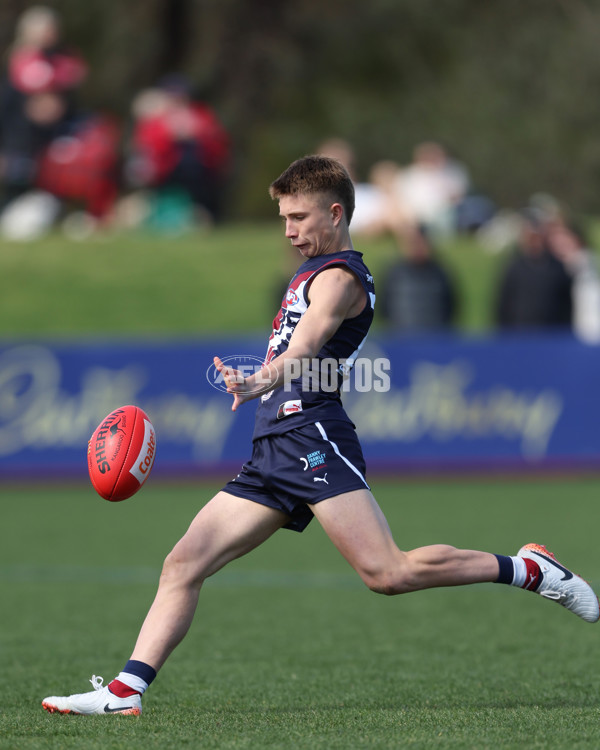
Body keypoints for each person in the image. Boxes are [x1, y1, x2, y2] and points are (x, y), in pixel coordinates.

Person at [42, 156, 599, 717]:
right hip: (272, 447)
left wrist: (261, 377)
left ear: (335, 213)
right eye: (283, 217)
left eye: (299, 217)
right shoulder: (309, 271)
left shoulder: (340, 277)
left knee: (388, 573)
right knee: (183, 563)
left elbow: (307, 345)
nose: (288, 230)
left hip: (311, 437)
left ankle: (530, 569)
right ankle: (124, 692)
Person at [495, 210, 573, 330]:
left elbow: (566, 303)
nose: (535, 241)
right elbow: (503, 302)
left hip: (551, 331)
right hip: (519, 332)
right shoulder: (514, 266)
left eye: (538, 237)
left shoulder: (557, 267)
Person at [379, 224, 457, 333]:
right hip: (401, 338)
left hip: (434, 338)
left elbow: (451, 306)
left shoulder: (441, 273)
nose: (418, 248)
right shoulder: (393, 274)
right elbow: (383, 307)